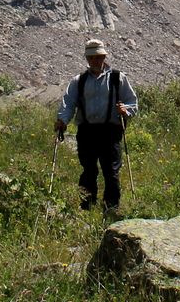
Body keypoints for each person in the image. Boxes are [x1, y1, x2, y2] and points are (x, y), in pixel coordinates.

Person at [55, 38, 137, 213]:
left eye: (98, 57)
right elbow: (69, 102)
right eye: (91, 58)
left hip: (111, 131)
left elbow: (132, 102)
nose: (95, 61)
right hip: (87, 131)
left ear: (104, 57)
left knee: (111, 172)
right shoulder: (79, 81)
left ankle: (111, 208)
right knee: (88, 170)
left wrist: (126, 110)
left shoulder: (117, 78)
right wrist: (62, 120)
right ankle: (86, 207)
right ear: (87, 59)